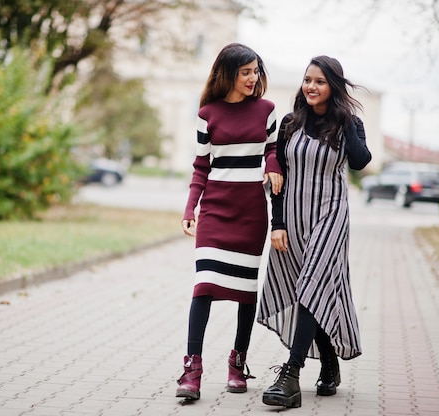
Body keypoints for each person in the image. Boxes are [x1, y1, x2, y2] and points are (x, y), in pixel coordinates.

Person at [257, 55, 372, 408]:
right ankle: (330, 362)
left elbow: (359, 160)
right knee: (308, 288)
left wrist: (346, 119)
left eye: (320, 81)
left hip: (331, 216)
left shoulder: (348, 124)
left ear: (333, 86)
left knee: (311, 287)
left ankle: (290, 376)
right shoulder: (291, 123)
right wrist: (276, 224)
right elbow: (277, 178)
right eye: (308, 79)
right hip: (293, 218)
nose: (310, 86)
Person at [176, 43, 284, 401]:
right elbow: (200, 166)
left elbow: (272, 149)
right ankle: (193, 369)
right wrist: (190, 209)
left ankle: (238, 364)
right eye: (246, 72)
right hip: (215, 213)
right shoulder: (207, 114)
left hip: (251, 212)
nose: (253, 78)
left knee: (245, 293)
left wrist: (271, 165)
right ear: (229, 74)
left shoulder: (267, 110)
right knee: (203, 286)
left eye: (256, 71)